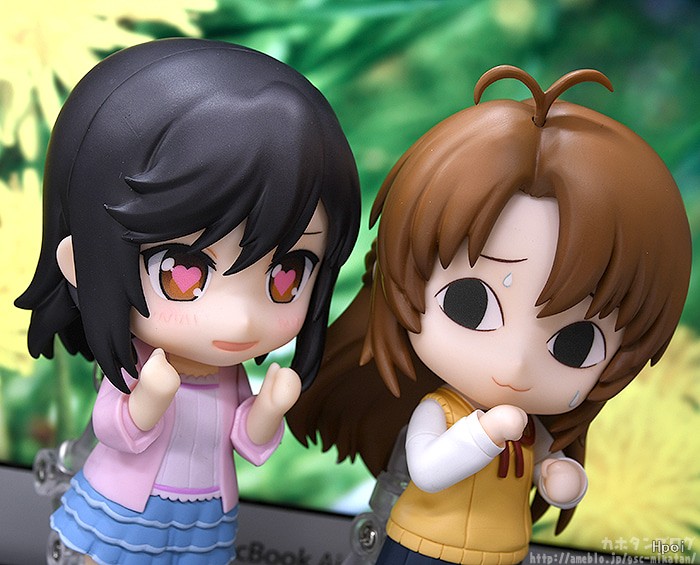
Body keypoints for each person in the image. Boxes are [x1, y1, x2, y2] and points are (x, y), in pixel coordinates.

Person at [288, 65, 691, 564]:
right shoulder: (440, 412)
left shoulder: (532, 430)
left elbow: (548, 470)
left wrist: (560, 476)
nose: (517, 362)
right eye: (469, 304)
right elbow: (428, 471)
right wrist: (485, 433)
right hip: (421, 549)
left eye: (576, 341)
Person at [16, 38, 360, 564]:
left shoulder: (227, 375)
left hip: (207, 513)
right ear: (83, 262)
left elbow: (247, 442)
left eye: (287, 275)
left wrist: (269, 407)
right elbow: (113, 430)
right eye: (184, 273)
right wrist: (149, 399)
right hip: (127, 508)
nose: (241, 319)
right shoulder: (140, 366)